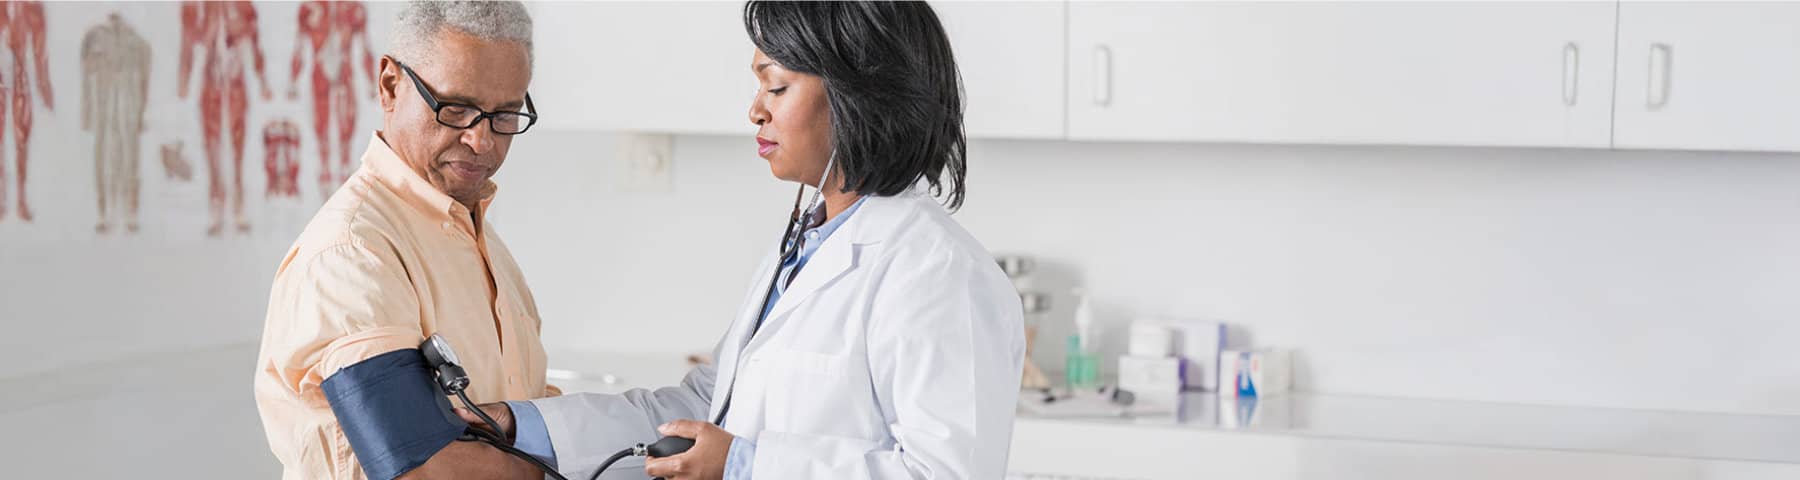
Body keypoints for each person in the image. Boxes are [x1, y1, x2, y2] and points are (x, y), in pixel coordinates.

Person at [464, 2, 1025, 479]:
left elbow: (947, 472)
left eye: (776, 85)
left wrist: (746, 465)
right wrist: (522, 422)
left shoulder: (938, 273)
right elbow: (707, 406)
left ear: (858, 95)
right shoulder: (809, 247)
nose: (755, 109)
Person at [253, 2, 554, 479]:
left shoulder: (480, 241)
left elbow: (529, 413)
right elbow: (423, 469)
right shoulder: (352, 253)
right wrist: (574, 461)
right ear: (390, 85)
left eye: (505, 115)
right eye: (456, 109)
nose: (483, 141)